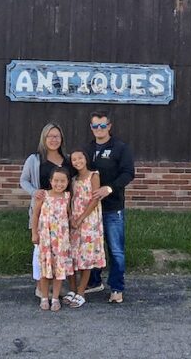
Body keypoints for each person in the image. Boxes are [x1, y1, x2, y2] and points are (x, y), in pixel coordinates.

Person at [83, 110, 135, 304]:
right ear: (91, 128)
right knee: (93, 247)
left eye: (102, 126)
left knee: (116, 250)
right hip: (91, 209)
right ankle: (94, 282)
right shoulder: (87, 149)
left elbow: (128, 173)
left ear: (109, 126)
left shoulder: (121, 148)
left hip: (113, 208)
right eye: (95, 126)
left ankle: (117, 288)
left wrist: (109, 188)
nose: (99, 129)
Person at [19, 123, 73, 298]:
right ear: (44, 138)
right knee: (40, 252)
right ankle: (41, 287)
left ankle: (57, 286)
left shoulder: (68, 159)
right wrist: (35, 192)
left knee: (59, 251)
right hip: (42, 213)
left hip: (62, 214)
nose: (53, 139)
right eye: (50, 136)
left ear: (61, 138)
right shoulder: (34, 159)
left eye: (57, 136)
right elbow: (24, 181)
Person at [63, 149, 105, 308]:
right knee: (72, 255)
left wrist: (81, 218)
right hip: (74, 221)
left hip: (89, 220)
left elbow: (94, 200)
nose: (77, 161)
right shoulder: (73, 179)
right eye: (74, 159)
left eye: (80, 158)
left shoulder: (94, 175)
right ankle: (72, 290)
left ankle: (81, 292)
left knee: (85, 257)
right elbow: (71, 199)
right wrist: (71, 217)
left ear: (86, 159)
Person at [31, 167, 74, 312]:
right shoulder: (44, 195)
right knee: (45, 268)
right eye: (56, 181)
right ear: (50, 181)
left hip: (61, 240)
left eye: (62, 181)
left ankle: (55, 298)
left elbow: (68, 216)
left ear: (68, 182)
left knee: (59, 269)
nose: (59, 184)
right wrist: (34, 234)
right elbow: (35, 215)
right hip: (45, 238)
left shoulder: (67, 197)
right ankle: (44, 297)